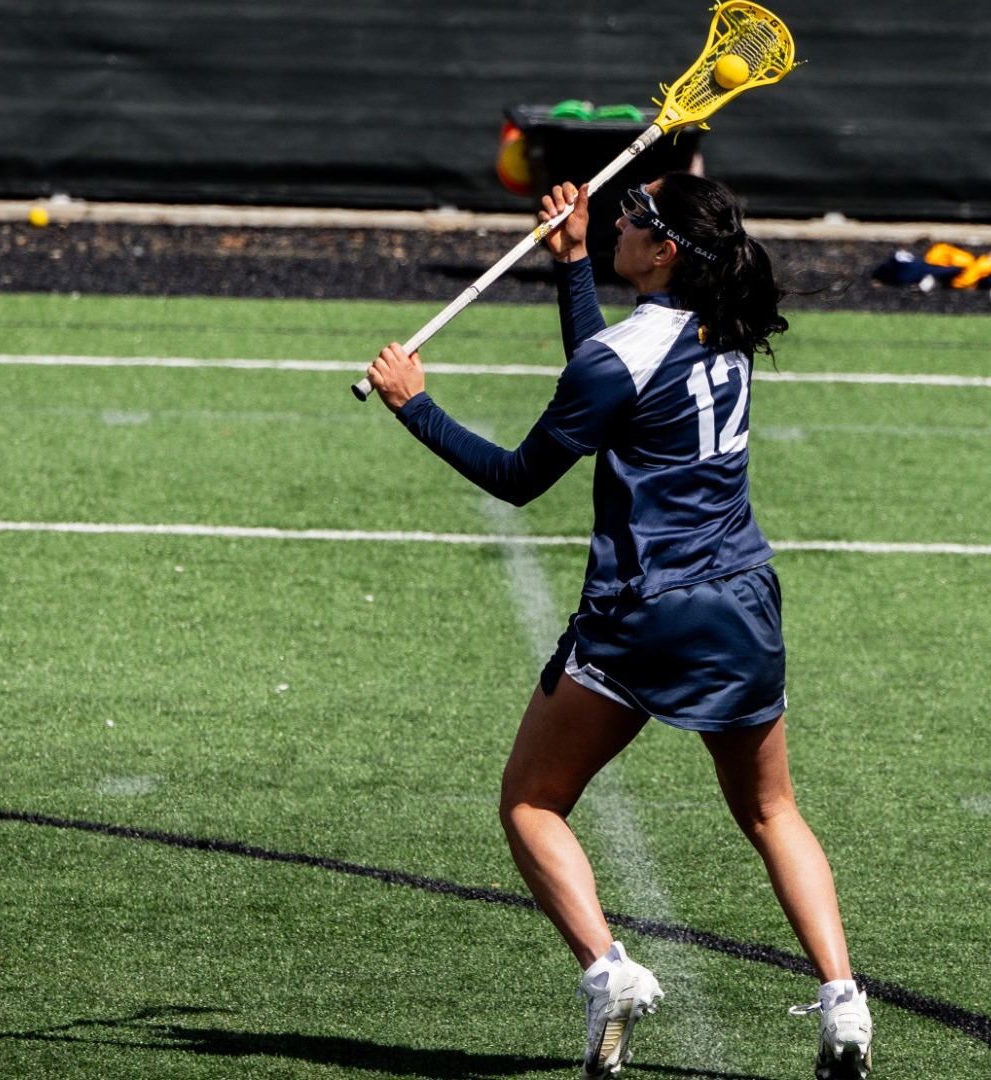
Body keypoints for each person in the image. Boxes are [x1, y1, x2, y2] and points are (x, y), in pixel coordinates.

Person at [363, 173, 873, 1080]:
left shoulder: (623, 356)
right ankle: (843, 1001)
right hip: (745, 602)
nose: (617, 228)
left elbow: (523, 475)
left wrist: (416, 407)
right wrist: (571, 268)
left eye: (630, 220)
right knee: (771, 810)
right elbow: (609, 385)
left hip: (646, 613)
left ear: (665, 250)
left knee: (530, 800)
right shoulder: (727, 327)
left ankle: (609, 971)